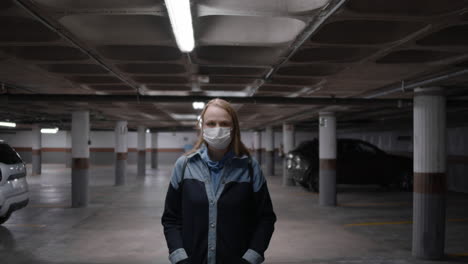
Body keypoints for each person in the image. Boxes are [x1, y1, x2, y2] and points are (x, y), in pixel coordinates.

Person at [161, 99, 276, 264]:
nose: (217, 129)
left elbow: (265, 219)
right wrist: (179, 258)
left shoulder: (250, 168)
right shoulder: (184, 166)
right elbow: (171, 218)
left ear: (233, 128)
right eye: (211, 123)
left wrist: (250, 258)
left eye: (224, 123)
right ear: (202, 128)